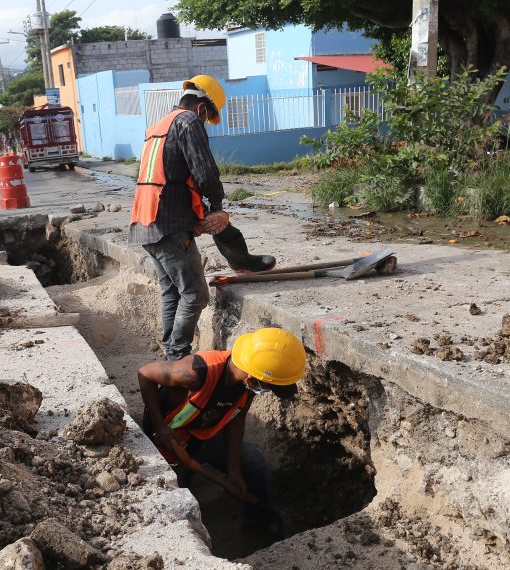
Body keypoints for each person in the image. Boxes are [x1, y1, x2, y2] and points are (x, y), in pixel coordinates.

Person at [129, 74, 276, 361]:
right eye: (208, 117)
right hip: (167, 223)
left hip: (145, 221)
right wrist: (216, 207)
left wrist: (197, 212)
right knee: (196, 294)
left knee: (172, 291)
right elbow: (204, 172)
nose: (206, 122)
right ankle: (177, 355)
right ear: (201, 107)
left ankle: (171, 352)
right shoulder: (188, 121)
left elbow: (169, 175)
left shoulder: (158, 126)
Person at [138, 327, 305, 528]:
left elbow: (236, 421)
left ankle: (258, 524)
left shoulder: (248, 384)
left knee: (253, 462)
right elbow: (145, 373)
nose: (268, 391)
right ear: (252, 380)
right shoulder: (195, 372)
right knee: (178, 498)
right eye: (270, 387)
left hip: (203, 437)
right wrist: (160, 427)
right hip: (169, 443)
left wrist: (234, 470)